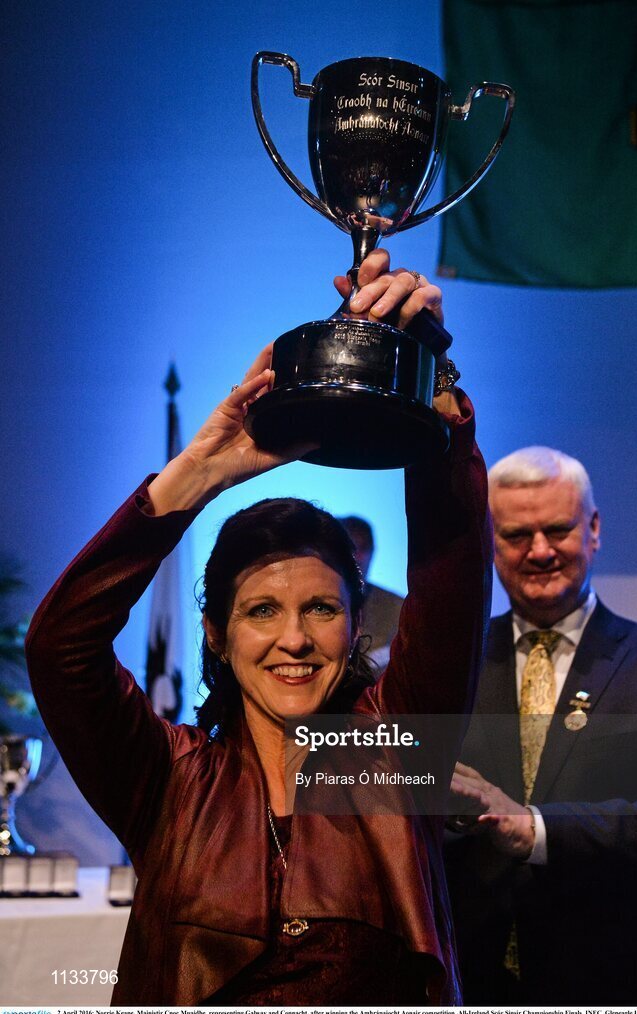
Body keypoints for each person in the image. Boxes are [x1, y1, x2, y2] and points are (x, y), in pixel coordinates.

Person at [25, 251, 491, 1007]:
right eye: (261, 611)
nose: (295, 640)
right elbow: (59, 648)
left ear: (356, 621)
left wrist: (428, 378)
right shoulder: (168, 780)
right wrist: (199, 474)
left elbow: (452, 562)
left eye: (322, 609)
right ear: (215, 633)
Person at [444, 445, 637, 1005]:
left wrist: (534, 828)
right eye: (517, 535)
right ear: (490, 542)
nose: (540, 551)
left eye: (558, 530)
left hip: (615, 980)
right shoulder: (447, 668)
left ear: (592, 529)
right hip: (468, 980)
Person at [338, 515, 403, 667]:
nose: (358, 557)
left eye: (364, 548)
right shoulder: (312, 603)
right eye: (351, 548)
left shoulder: (399, 610)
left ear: (373, 553)